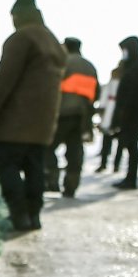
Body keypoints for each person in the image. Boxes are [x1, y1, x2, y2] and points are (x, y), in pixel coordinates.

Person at [0, 0, 66, 231]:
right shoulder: (51, 41)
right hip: (44, 122)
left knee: (6, 166)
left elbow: (4, 80)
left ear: (18, 15)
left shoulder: (20, 39)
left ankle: (18, 215)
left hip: (16, 122)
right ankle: (34, 215)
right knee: (34, 167)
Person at [46, 38, 97, 197]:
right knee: (75, 149)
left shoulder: (63, 62)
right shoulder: (89, 66)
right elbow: (96, 93)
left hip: (62, 112)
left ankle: (52, 178)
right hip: (82, 114)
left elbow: (51, 86)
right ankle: (71, 184)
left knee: (47, 147)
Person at [111, 37, 138, 189]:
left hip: (133, 115)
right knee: (130, 146)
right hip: (129, 114)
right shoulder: (133, 65)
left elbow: (136, 93)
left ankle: (131, 178)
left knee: (132, 147)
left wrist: (125, 110)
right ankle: (129, 177)